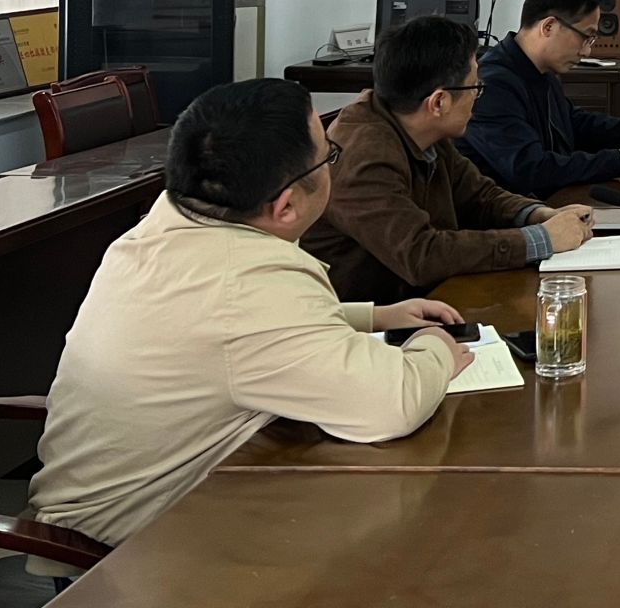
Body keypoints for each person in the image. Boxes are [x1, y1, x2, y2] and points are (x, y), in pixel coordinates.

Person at [28, 78, 473, 550]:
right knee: (398, 536)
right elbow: (390, 404)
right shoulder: (245, 282)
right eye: (329, 155)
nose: (333, 163)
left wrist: (376, 317)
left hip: (124, 517)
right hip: (121, 556)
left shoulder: (165, 227)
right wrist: (436, 348)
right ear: (286, 206)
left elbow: (229, 336)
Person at [303, 15, 594, 301]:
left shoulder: (417, 124)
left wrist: (539, 215)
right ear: (439, 102)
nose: (478, 96)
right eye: (475, 87)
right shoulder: (364, 158)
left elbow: (480, 195)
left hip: (427, 299)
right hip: (375, 318)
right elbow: (421, 255)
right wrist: (541, 240)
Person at [461, 0, 620, 196]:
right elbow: (530, 169)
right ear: (548, 27)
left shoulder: (542, 71)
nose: (587, 51)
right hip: (513, 212)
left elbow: (574, 124)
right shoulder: (491, 85)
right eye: (585, 37)